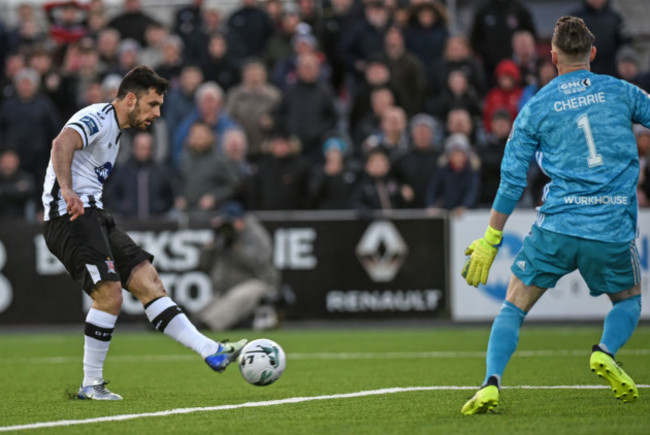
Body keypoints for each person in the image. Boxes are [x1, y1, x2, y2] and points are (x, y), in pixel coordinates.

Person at [460, 16, 647, 415]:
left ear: (553, 56)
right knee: (629, 301)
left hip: (557, 226)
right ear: (593, 53)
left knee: (513, 305)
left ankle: (491, 382)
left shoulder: (536, 106)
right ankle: (605, 351)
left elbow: (511, 181)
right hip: (610, 226)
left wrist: (493, 238)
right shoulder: (621, 92)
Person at [41, 66, 247, 401]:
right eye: (153, 105)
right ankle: (91, 384)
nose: (157, 113)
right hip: (70, 215)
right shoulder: (98, 117)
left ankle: (212, 351)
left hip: (94, 214)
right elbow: (62, 142)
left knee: (149, 281)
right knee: (109, 294)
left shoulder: (116, 131)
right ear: (131, 99)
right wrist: (67, 190)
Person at [196, 201, 280, 331]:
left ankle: (210, 325)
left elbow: (259, 263)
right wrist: (210, 246)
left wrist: (237, 247)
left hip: (258, 282)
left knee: (238, 297)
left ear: (240, 220)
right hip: (227, 288)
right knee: (204, 311)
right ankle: (198, 323)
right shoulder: (222, 235)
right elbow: (203, 264)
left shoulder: (254, 233)